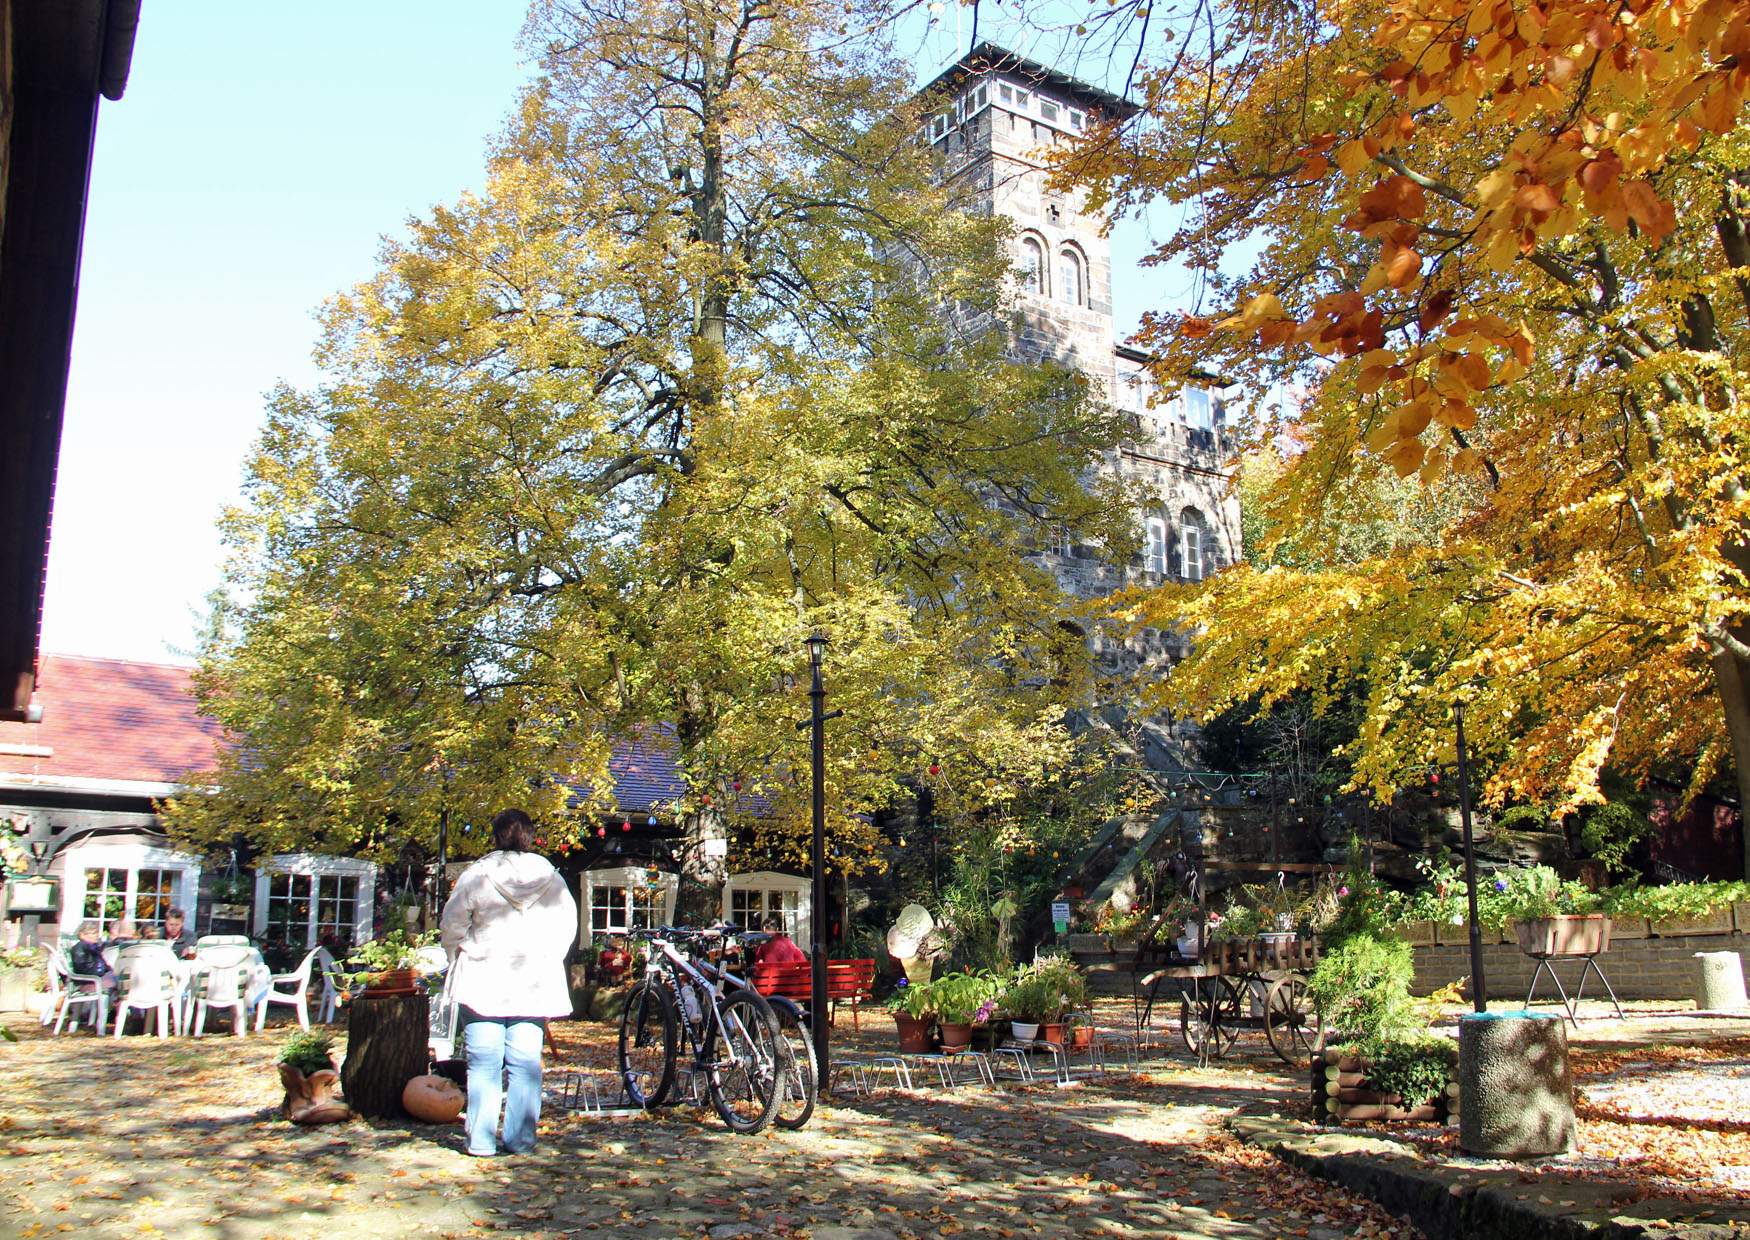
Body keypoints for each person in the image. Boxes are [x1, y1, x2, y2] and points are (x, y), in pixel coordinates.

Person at [440, 808, 577, 1157]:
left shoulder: (478, 875)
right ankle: (520, 1139)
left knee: (483, 1063)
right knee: (525, 1064)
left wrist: (457, 952)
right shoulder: (552, 878)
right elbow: (567, 928)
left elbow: (452, 923)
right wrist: (547, 958)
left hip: (484, 977)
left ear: (496, 835)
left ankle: (481, 1140)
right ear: (529, 836)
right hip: (532, 981)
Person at [68, 921, 118, 990]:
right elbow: (81, 970)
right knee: (118, 981)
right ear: (82, 935)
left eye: (97, 932)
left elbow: (103, 965)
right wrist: (101, 972)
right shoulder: (79, 949)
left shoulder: (93, 948)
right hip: (87, 983)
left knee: (118, 978)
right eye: (94, 933)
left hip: (95, 979)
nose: (97, 935)